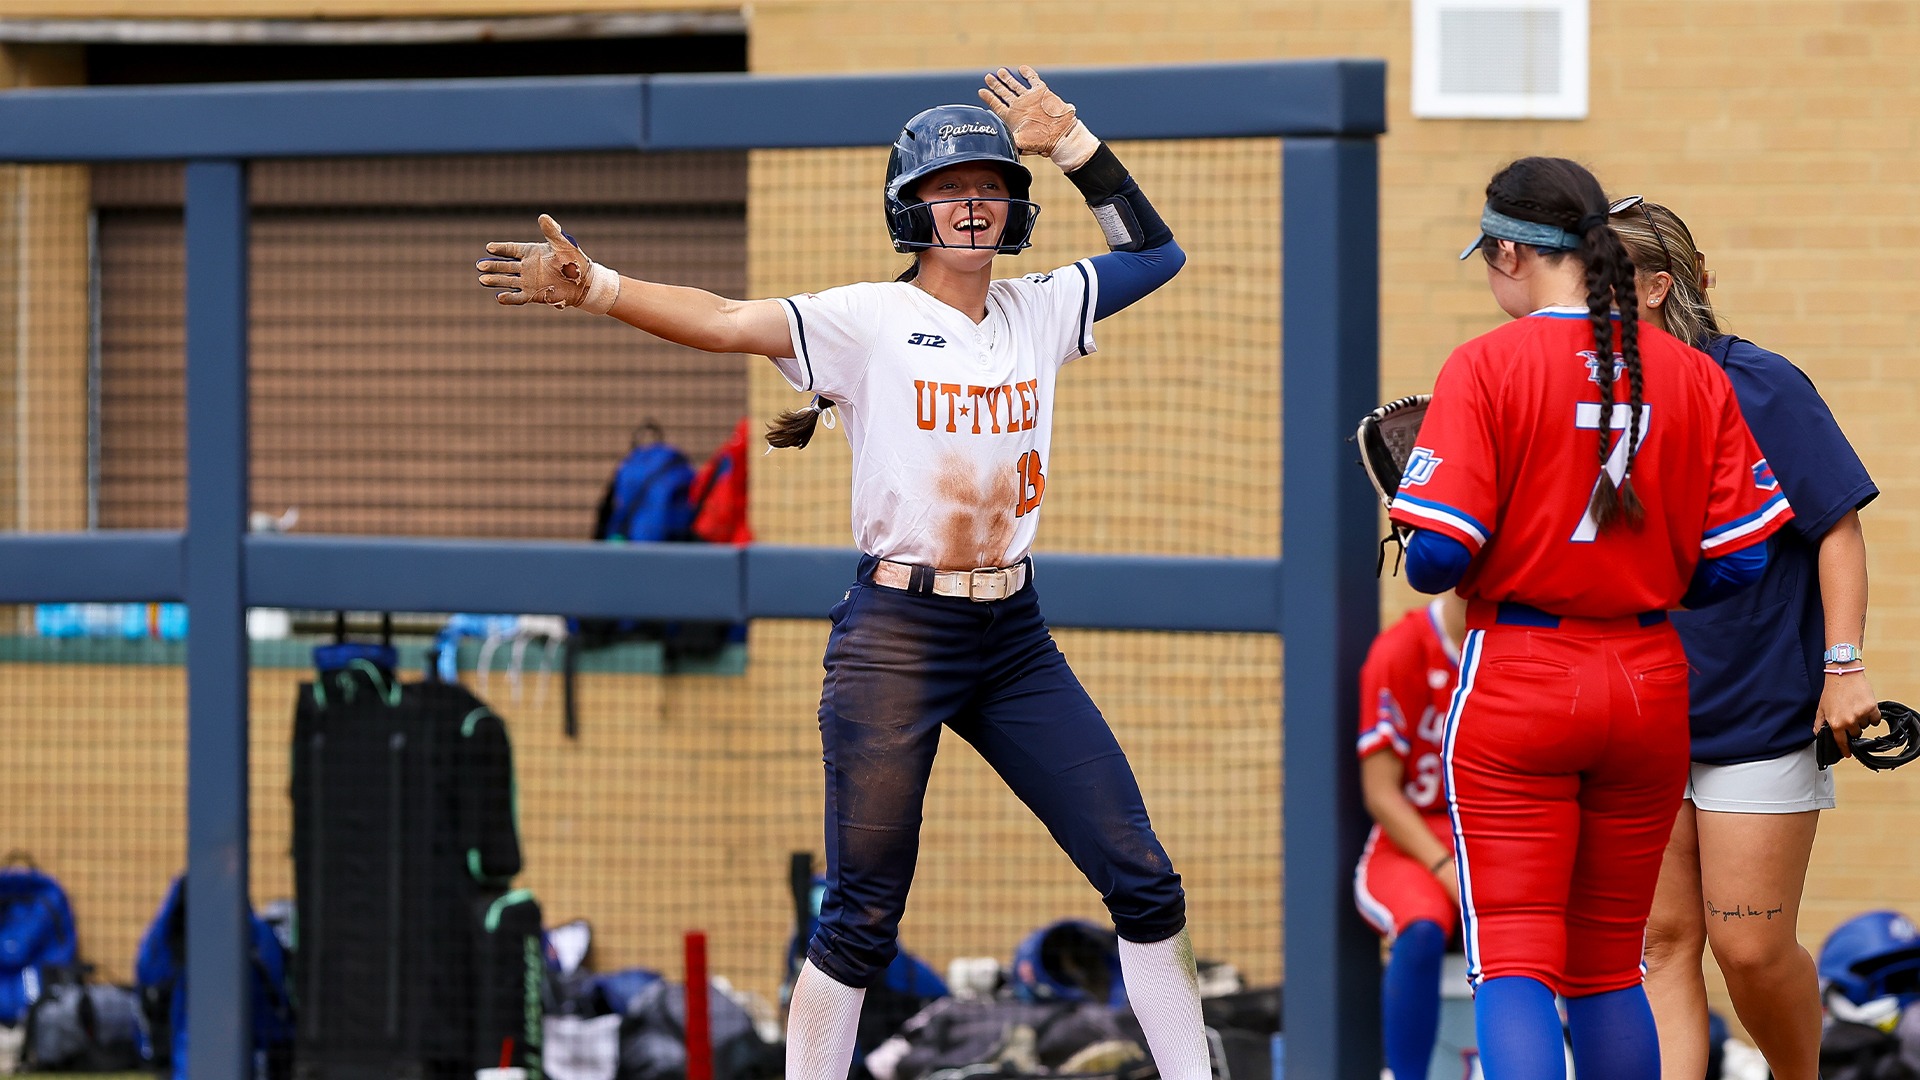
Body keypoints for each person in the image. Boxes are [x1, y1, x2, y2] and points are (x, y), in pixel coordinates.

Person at [475, 67, 1211, 1079]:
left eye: (991, 185)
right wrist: (598, 287)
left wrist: (1075, 143)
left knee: (1145, 882)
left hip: (1014, 634)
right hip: (899, 637)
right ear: (911, 205)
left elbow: (1156, 253)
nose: (972, 202)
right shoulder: (864, 318)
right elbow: (726, 319)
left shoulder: (1039, 309)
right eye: (951, 186)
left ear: (1016, 206)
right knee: (862, 917)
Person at [1386, 156, 1794, 1080]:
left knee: (1516, 962)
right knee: (1610, 964)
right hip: (1649, 681)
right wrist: (1640, 579)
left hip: (1523, 674)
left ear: (1509, 252)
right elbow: (1743, 559)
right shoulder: (1692, 372)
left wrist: (1418, 530)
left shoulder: (1485, 363)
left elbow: (1439, 562)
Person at [1609, 197, 1882, 1080]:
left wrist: (1843, 667)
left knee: (1750, 950)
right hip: (1637, 716)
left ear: (1656, 286)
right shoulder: (1592, 399)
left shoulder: (1760, 383)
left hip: (1759, 712)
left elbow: (1837, 527)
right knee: (1660, 945)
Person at [1354, 591, 1467, 1080]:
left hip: (1493, 836)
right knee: (1421, 927)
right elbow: (1381, 794)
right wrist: (1448, 871)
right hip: (1411, 843)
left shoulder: (1516, 643)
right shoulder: (1401, 648)